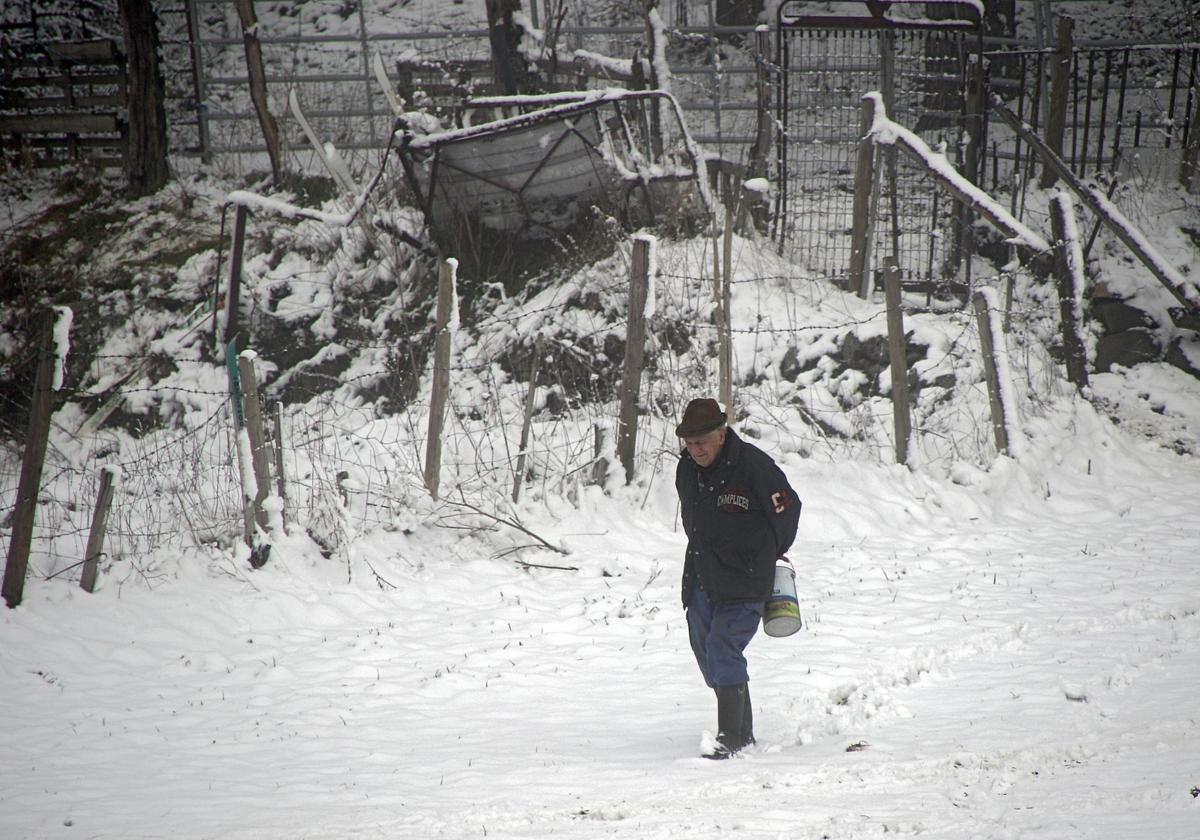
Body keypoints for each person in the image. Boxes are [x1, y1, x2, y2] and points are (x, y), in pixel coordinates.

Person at [674, 397, 801, 759]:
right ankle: (742, 731)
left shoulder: (754, 467)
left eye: (702, 441)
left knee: (722, 646)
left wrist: (765, 554)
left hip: (745, 578)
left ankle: (730, 737)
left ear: (722, 433)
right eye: (689, 442)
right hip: (702, 574)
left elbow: (788, 510)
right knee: (706, 653)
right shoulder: (686, 470)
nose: (695, 449)